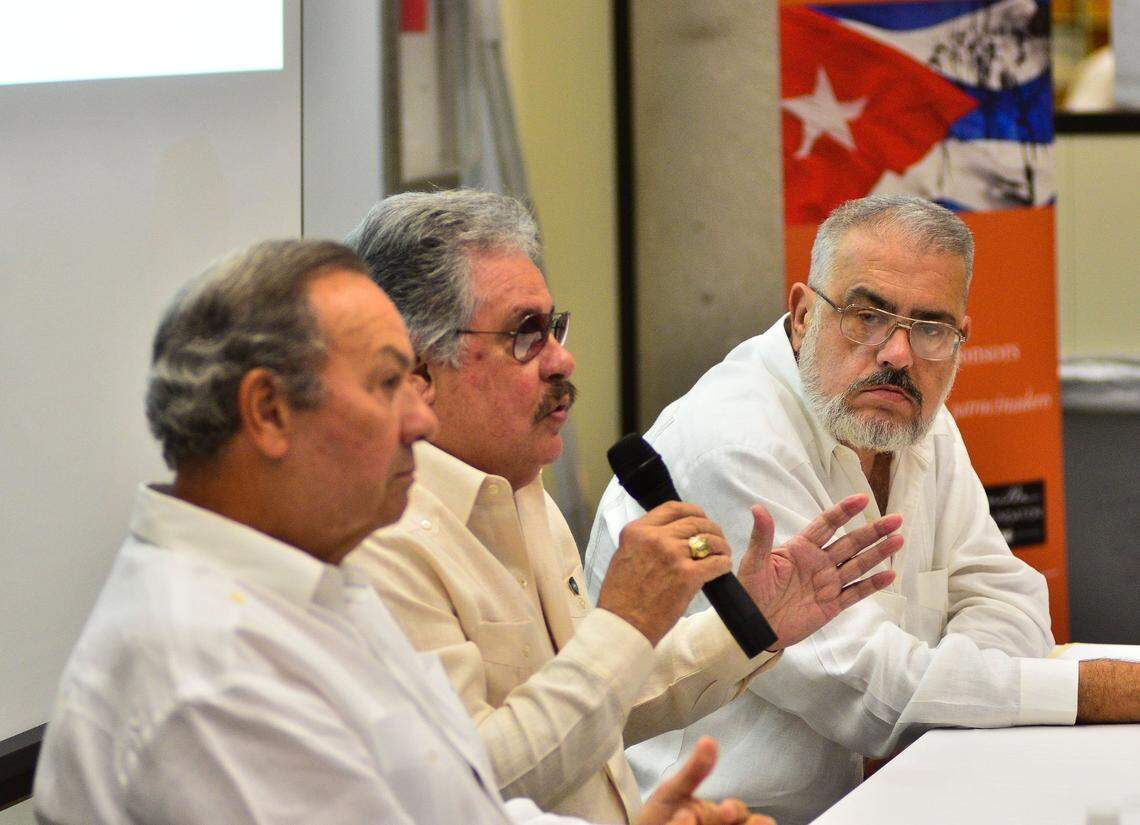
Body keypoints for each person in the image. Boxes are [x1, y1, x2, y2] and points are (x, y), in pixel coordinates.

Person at [33, 239, 771, 825]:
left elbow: (457, 800)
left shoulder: (314, 575)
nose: (420, 420)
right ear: (267, 412)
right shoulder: (205, 672)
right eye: (389, 384)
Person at [346, 190, 903, 824]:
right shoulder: (375, 537)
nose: (563, 358)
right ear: (418, 366)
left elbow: (598, 701)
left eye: (554, 327)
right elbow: (471, 784)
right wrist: (627, 622)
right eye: (525, 335)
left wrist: (751, 625)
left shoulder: (520, 489)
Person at [584, 194, 1140, 825]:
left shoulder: (912, 418)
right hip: (719, 817)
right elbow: (869, 692)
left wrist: (954, 694)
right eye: (866, 314)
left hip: (902, 793)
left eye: (931, 327)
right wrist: (1099, 690)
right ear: (800, 316)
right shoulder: (731, 443)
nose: (898, 354)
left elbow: (1008, 599)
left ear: (959, 339)